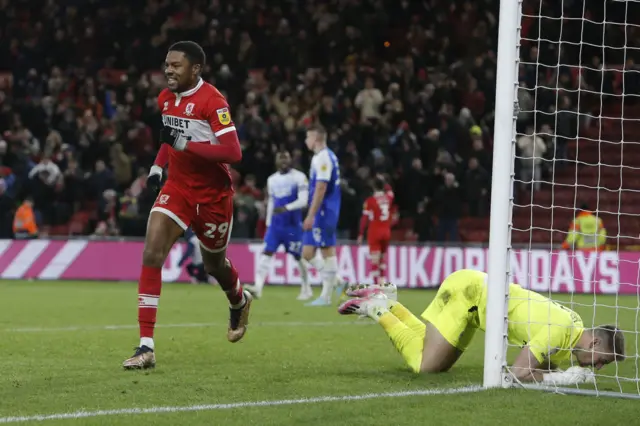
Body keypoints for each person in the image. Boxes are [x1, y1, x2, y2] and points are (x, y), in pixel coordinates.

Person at [123, 41, 251, 370]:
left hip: (213, 196)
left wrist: (186, 144)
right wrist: (157, 166)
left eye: (176, 65)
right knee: (152, 252)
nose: (168, 70)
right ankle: (145, 347)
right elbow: (170, 138)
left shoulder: (213, 101)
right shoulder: (165, 98)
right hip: (178, 188)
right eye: (167, 64)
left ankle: (239, 299)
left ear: (195, 69)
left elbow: (233, 152)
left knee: (214, 265)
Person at [339, 270, 625, 385]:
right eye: (602, 361)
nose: (598, 367)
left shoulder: (573, 330)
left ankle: (392, 304)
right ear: (595, 344)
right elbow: (518, 374)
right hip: (470, 294)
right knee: (425, 366)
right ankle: (377, 309)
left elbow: (539, 366)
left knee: (438, 365)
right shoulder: (561, 328)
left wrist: (560, 372)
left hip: (479, 305)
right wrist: (561, 379)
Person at [246, 151, 311, 300]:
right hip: (275, 226)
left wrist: (286, 208)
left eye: (286, 158)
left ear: (290, 161)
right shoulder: (272, 180)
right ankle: (258, 287)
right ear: (276, 161)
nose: (283, 161)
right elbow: (271, 203)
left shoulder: (299, 177)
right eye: (280, 158)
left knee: (298, 257)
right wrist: (268, 223)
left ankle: (306, 288)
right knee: (266, 253)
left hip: (292, 226)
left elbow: (303, 201)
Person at [301, 124, 345, 306]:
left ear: (315, 139)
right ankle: (338, 282)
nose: (306, 141)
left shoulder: (324, 158)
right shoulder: (320, 157)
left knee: (327, 250)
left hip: (325, 210)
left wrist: (311, 214)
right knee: (307, 252)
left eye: (307, 138)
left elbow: (321, 187)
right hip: (322, 210)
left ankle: (326, 297)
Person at [358, 177, 394, 285]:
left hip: (375, 231)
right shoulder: (388, 198)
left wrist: (360, 234)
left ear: (373, 187)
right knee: (382, 259)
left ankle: (376, 285)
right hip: (386, 231)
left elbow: (364, 219)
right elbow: (390, 190)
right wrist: (384, 182)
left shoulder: (369, 201)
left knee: (374, 260)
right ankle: (382, 282)